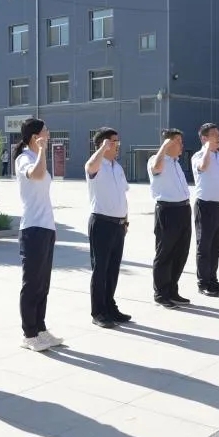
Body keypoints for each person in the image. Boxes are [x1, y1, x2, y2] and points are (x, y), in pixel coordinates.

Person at [13, 118, 63, 352]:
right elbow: (38, 174)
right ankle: (29, 334)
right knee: (32, 283)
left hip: (45, 227)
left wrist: (52, 227)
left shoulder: (36, 156)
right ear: (35, 137)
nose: (49, 134)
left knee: (43, 283)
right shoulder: (24, 158)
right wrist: (42, 151)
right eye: (45, 131)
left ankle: (40, 328)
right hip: (32, 227)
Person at [86, 126, 132, 328]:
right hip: (101, 223)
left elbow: (122, 196)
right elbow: (89, 166)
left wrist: (125, 219)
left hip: (118, 225)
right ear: (102, 144)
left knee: (113, 269)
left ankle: (110, 306)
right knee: (100, 269)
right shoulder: (97, 164)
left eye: (117, 142)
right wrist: (102, 149)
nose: (117, 146)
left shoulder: (117, 167)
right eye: (113, 142)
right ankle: (98, 312)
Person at [147, 128, 192, 308]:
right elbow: (156, 168)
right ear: (169, 143)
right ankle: (161, 293)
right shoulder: (156, 159)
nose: (182, 145)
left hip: (183, 210)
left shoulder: (175, 162)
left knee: (180, 253)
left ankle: (172, 290)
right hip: (168, 211)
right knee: (165, 254)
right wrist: (165, 146)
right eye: (178, 141)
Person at [191, 123, 219, 296]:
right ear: (204, 138)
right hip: (206, 207)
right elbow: (203, 167)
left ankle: (213, 280)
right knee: (205, 247)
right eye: (214, 135)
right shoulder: (199, 156)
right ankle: (203, 283)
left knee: (216, 247)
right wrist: (208, 148)